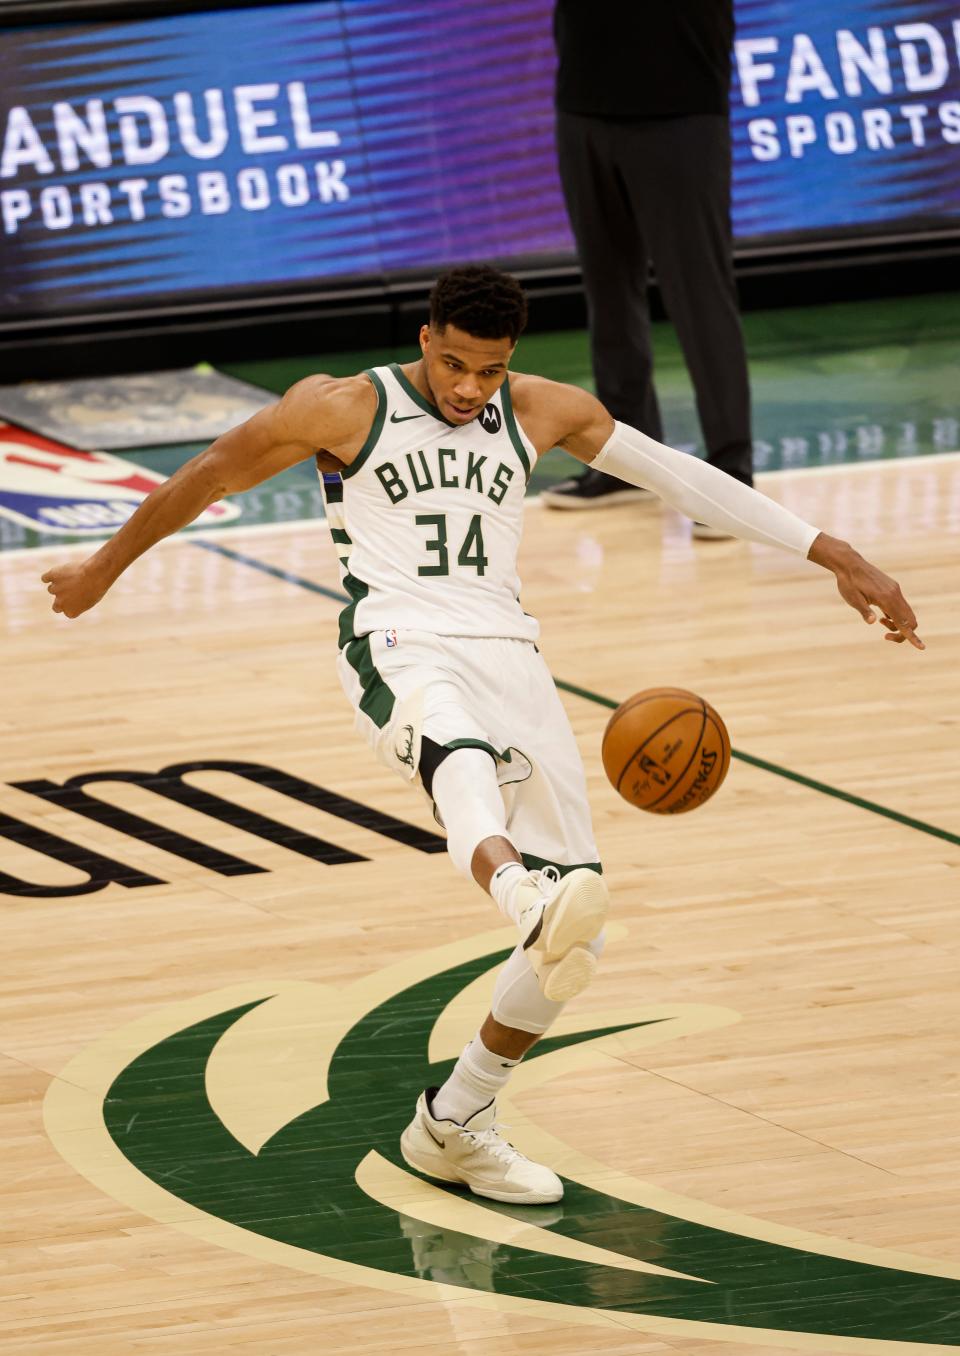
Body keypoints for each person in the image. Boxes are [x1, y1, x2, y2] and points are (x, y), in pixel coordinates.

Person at [42, 265, 923, 1205]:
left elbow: (683, 478)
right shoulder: (342, 409)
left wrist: (837, 552)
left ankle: (456, 1120)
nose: (469, 390)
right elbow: (209, 474)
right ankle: (515, 891)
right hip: (398, 636)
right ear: (426, 339)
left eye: (489, 372)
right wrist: (102, 571)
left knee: (576, 935)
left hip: (513, 654)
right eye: (456, 365)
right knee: (458, 759)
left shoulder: (542, 411)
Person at [544, 0, 752, 535]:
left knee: (700, 294)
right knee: (608, 294)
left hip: (681, 108)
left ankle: (732, 475)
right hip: (584, 104)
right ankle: (624, 464)